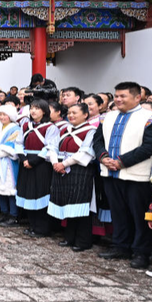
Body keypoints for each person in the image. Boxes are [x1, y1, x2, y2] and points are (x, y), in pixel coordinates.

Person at [92, 82, 152, 269]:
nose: (118, 99)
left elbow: (150, 146)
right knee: (118, 212)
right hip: (110, 173)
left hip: (137, 175)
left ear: (137, 97)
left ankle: (141, 253)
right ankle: (120, 246)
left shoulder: (151, 118)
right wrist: (103, 157)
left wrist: (122, 161)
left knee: (139, 216)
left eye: (123, 96)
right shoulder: (107, 117)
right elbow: (97, 141)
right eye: (116, 96)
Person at [48, 103, 97, 251]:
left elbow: (85, 153)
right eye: (69, 113)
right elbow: (52, 147)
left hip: (80, 171)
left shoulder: (91, 131)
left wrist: (64, 164)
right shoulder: (65, 129)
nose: (71, 115)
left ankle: (83, 241)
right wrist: (55, 162)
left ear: (85, 115)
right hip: (60, 169)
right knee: (67, 202)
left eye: (75, 113)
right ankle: (69, 237)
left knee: (80, 205)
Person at [15, 99, 60, 237]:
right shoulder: (26, 125)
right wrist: (23, 159)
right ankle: (32, 225)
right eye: (32, 108)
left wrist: (33, 162)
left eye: (37, 108)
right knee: (27, 192)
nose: (33, 111)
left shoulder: (51, 128)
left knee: (40, 193)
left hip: (41, 165)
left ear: (45, 111)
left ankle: (42, 228)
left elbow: (50, 147)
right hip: (26, 162)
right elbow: (19, 143)